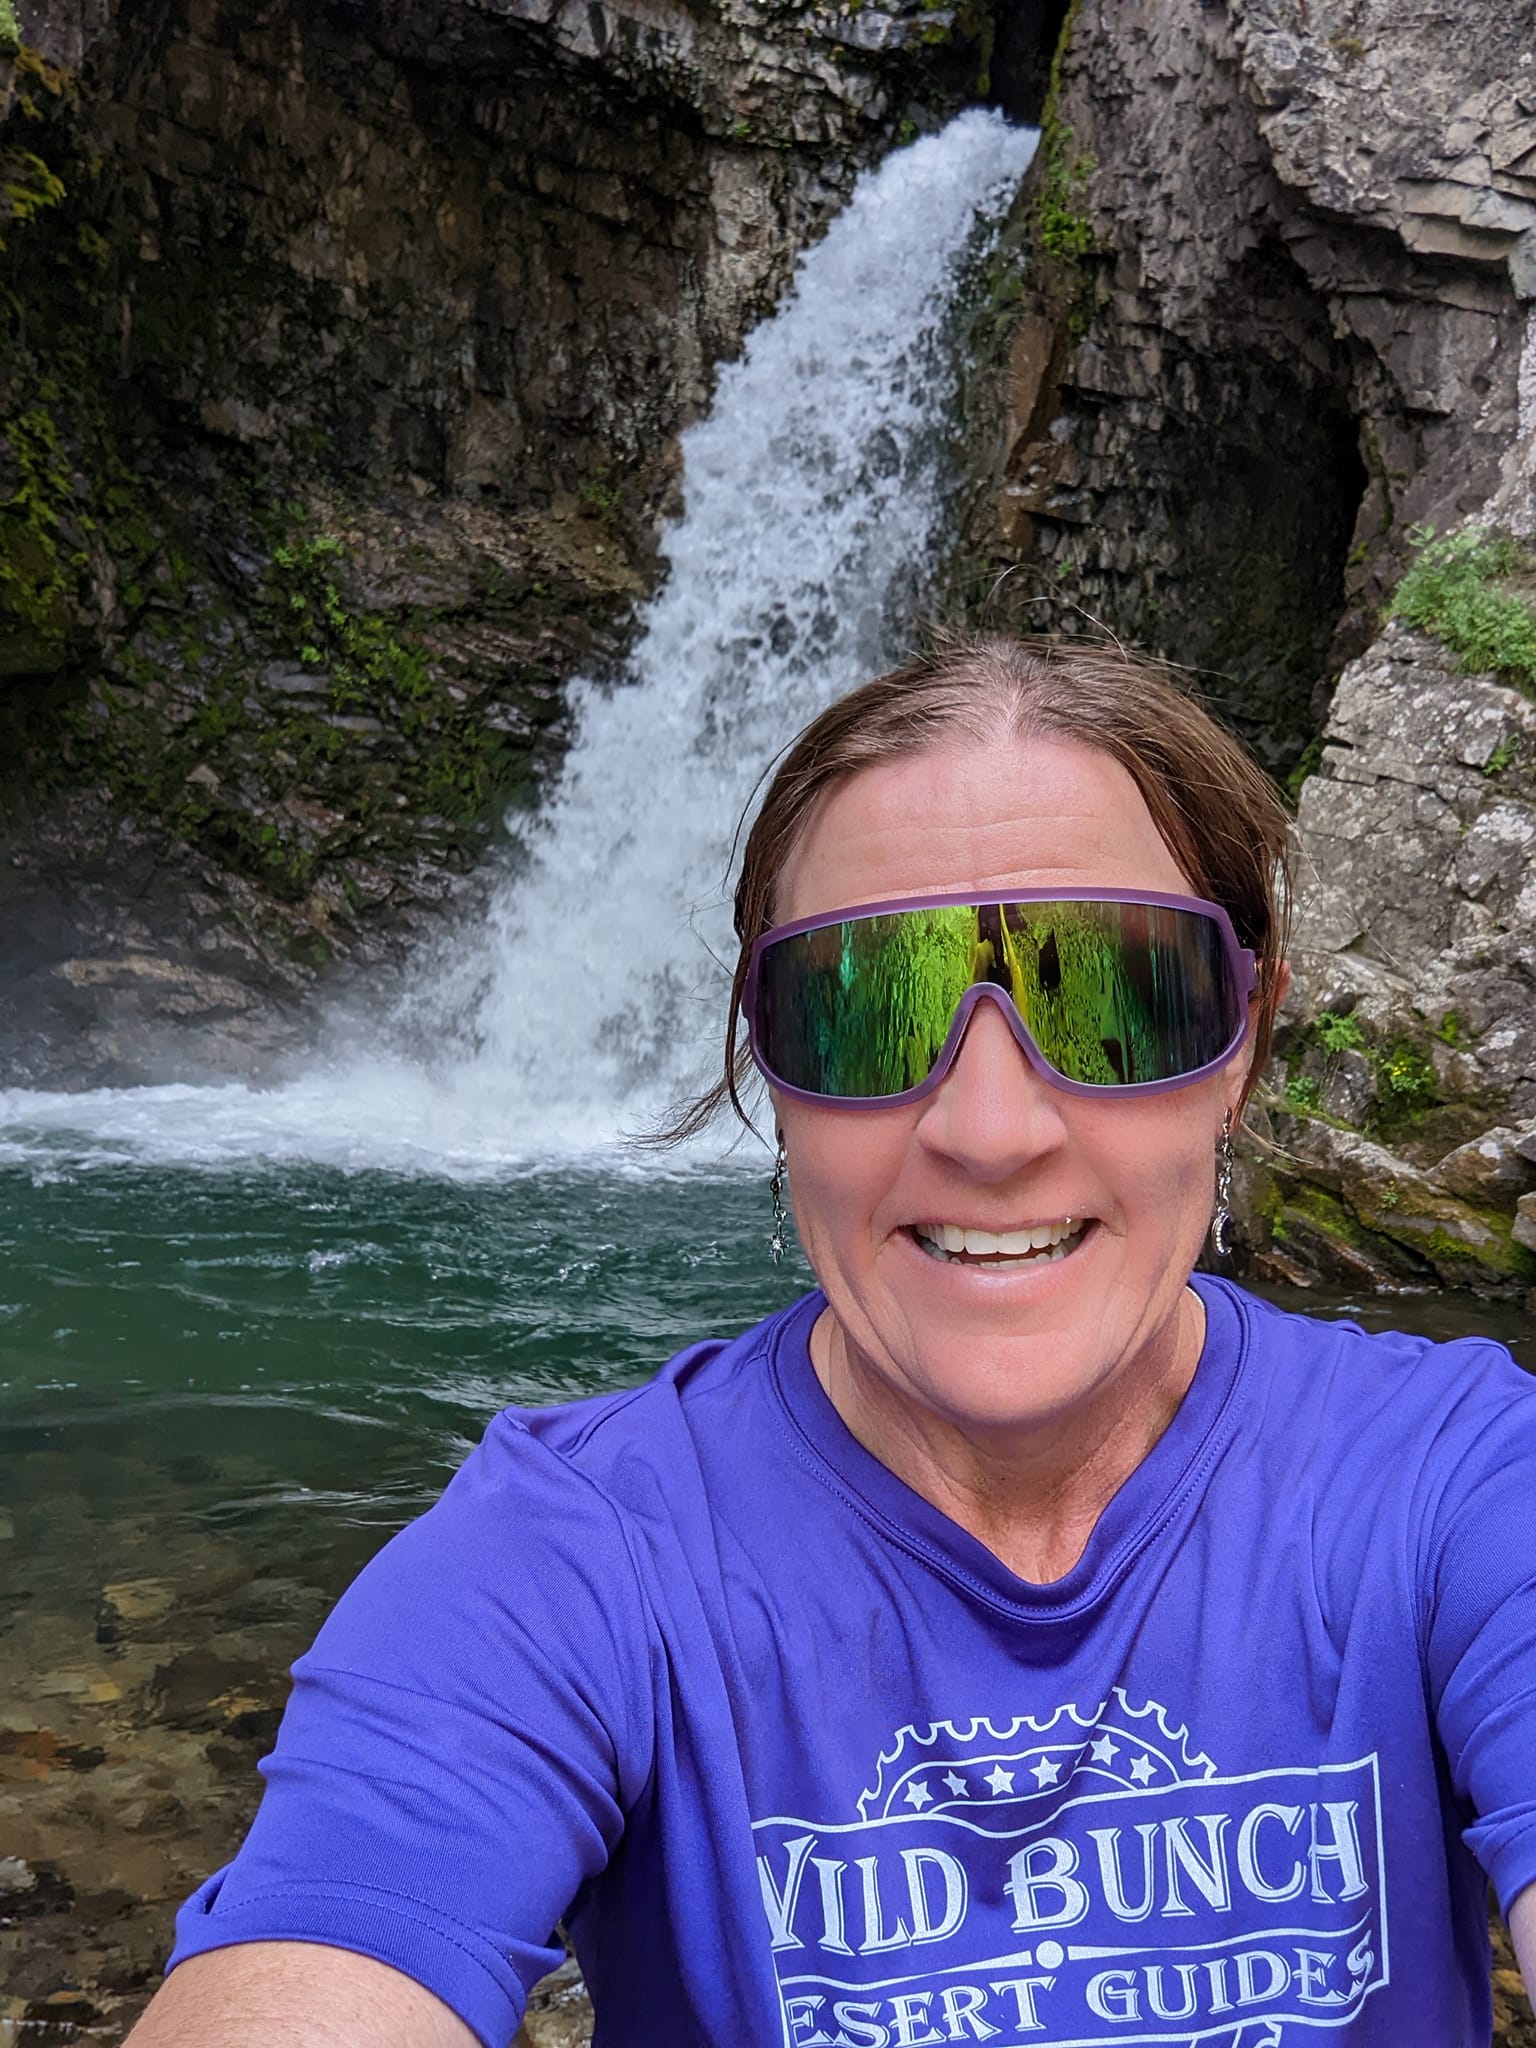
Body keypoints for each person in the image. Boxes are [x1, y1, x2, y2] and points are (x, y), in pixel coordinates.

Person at [127, 634, 1536, 2048]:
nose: (992, 1132)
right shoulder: (568, 1555)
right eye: (868, 1009)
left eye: (1116, 997)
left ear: (1242, 1039)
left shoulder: (1462, 1484)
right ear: (769, 1066)